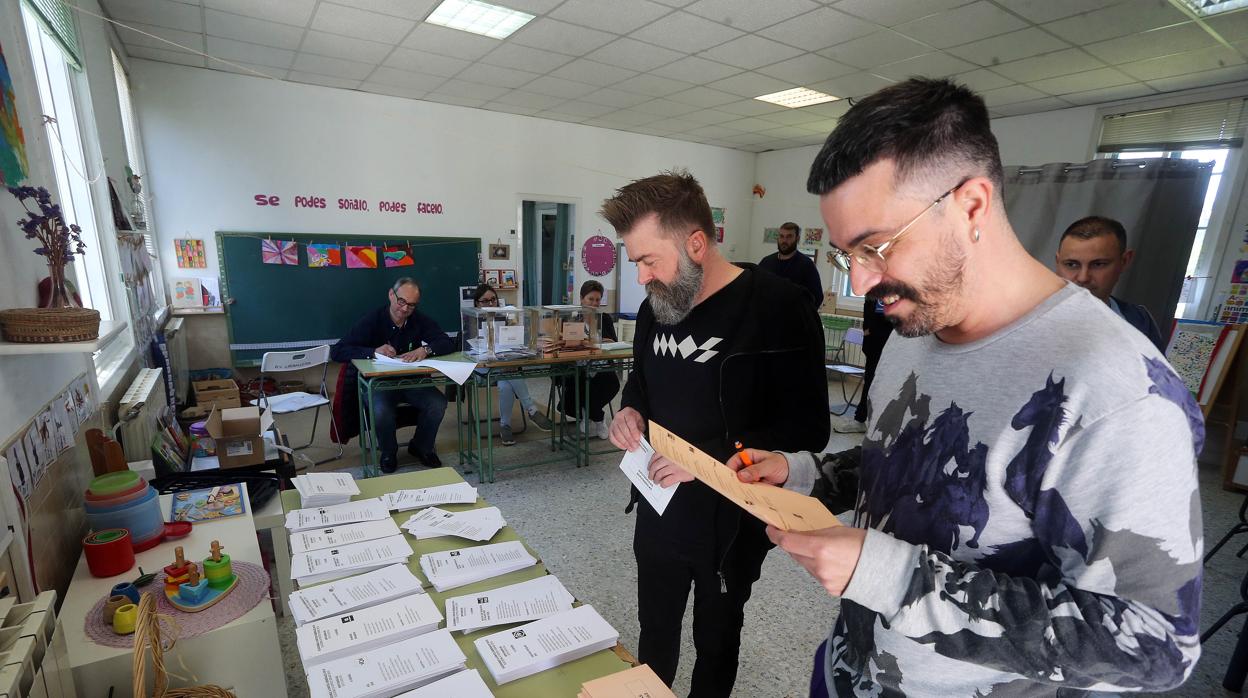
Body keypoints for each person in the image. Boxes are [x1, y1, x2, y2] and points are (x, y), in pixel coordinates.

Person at [727, 78, 1202, 696]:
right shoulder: (914, 327)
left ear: (972, 204)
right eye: (850, 256)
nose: (865, 280)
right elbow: (905, 464)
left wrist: (897, 580)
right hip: (852, 667)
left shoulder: (1115, 391)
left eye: (878, 247)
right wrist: (806, 475)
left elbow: (1156, 645)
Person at [604, 170, 829, 696]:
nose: (641, 276)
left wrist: (703, 462)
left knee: (717, 637)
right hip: (658, 506)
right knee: (654, 628)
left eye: (648, 260)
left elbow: (807, 429)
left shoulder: (778, 308)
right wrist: (629, 411)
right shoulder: (655, 306)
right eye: (635, 261)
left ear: (697, 244)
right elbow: (643, 381)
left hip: (730, 522)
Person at [330, 278, 454, 473]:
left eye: (411, 305)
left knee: (437, 403)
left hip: (412, 382)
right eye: (401, 301)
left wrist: (425, 350)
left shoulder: (419, 320)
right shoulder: (373, 320)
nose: (404, 309)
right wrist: (373, 351)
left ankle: (421, 446)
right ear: (391, 295)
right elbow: (338, 351)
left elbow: (446, 342)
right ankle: (388, 452)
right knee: (380, 410)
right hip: (379, 383)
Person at [1055, 215, 1166, 351]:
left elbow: (1155, 371)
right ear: (1057, 262)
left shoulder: (1139, 320)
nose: (1083, 277)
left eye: (1098, 264)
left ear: (1124, 261)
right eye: (1071, 264)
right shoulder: (1028, 319)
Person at [471, 283, 552, 445]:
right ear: (477, 304)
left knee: (505, 384)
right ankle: (531, 409)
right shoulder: (471, 319)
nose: (490, 304)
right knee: (509, 373)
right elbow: (472, 349)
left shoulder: (504, 317)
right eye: (485, 301)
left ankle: (505, 425)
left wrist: (514, 329)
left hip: (504, 366)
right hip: (482, 368)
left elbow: (514, 344)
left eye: (493, 299)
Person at [555, 280, 621, 440]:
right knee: (583, 383)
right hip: (577, 365)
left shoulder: (604, 318)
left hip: (600, 364)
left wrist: (598, 342)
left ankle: (587, 414)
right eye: (591, 299)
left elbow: (613, 341)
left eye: (598, 300)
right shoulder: (571, 318)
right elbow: (563, 343)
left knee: (611, 382)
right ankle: (598, 419)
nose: (594, 303)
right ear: (581, 298)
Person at [835, 295, 893, 434]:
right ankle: (861, 419)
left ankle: (878, 421)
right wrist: (867, 330)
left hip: (891, 338)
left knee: (887, 383)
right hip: (874, 341)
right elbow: (869, 307)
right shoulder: (874, 288)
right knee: (870, 380)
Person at [759, 221, 823, 304]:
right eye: (781, 236)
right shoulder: (766, 262)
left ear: (797, 238)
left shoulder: (806, 265)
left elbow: (817, 297)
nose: (784, 240)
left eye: (789, 236)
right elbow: (757, 290)